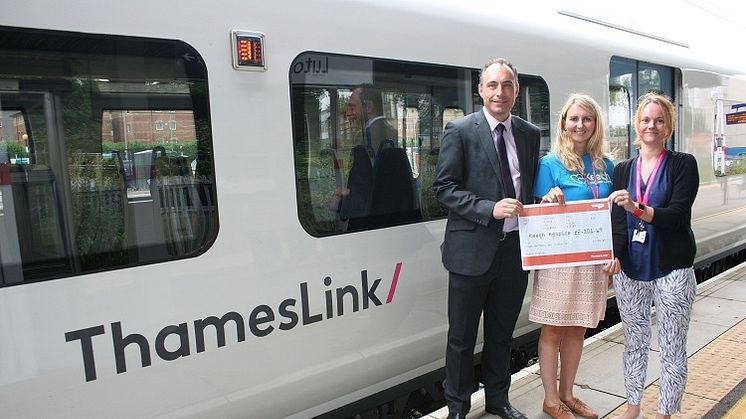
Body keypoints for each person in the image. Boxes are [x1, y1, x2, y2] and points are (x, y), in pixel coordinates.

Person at [433, 57, 540, 419]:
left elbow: (530, 188)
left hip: (513, 254)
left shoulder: (528, 133)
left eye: (506, 84)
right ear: (480, 90)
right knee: (461, 338)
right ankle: (458, 407)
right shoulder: (460, 130)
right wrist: (488, 208)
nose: (499, 92)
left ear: (516, 90)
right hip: (470, 253)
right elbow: (443, 188)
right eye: (492, 85)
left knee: (501, 334)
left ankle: (498, 400)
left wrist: (545, 199)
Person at [608, 92, 699, 419]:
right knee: (634, 341)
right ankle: (632, 407)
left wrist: (638, 208)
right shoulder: (622, 169)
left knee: (672, 347)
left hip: (672, 267)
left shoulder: (683, 164)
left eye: (659, 120)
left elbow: (677, 215)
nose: (652, 126)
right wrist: (615, 255)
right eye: (646, 120)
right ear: (637, 125)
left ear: (668, 127)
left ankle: (664, 413)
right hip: (630, 268)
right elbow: (617, 221)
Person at [531, 94, 620, 419]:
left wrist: (613, 255)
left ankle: (568, 394)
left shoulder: (606, 165)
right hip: (561, 260)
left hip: (594, 259)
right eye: (574, 118)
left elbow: (614, 217)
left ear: (595, 125)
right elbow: (538, 220)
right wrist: (547, 200)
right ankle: (551, 399)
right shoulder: (549, 164)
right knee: (553, 329)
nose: (580, 125)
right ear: (564, 124)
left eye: (587, 119)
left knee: (578, 328)